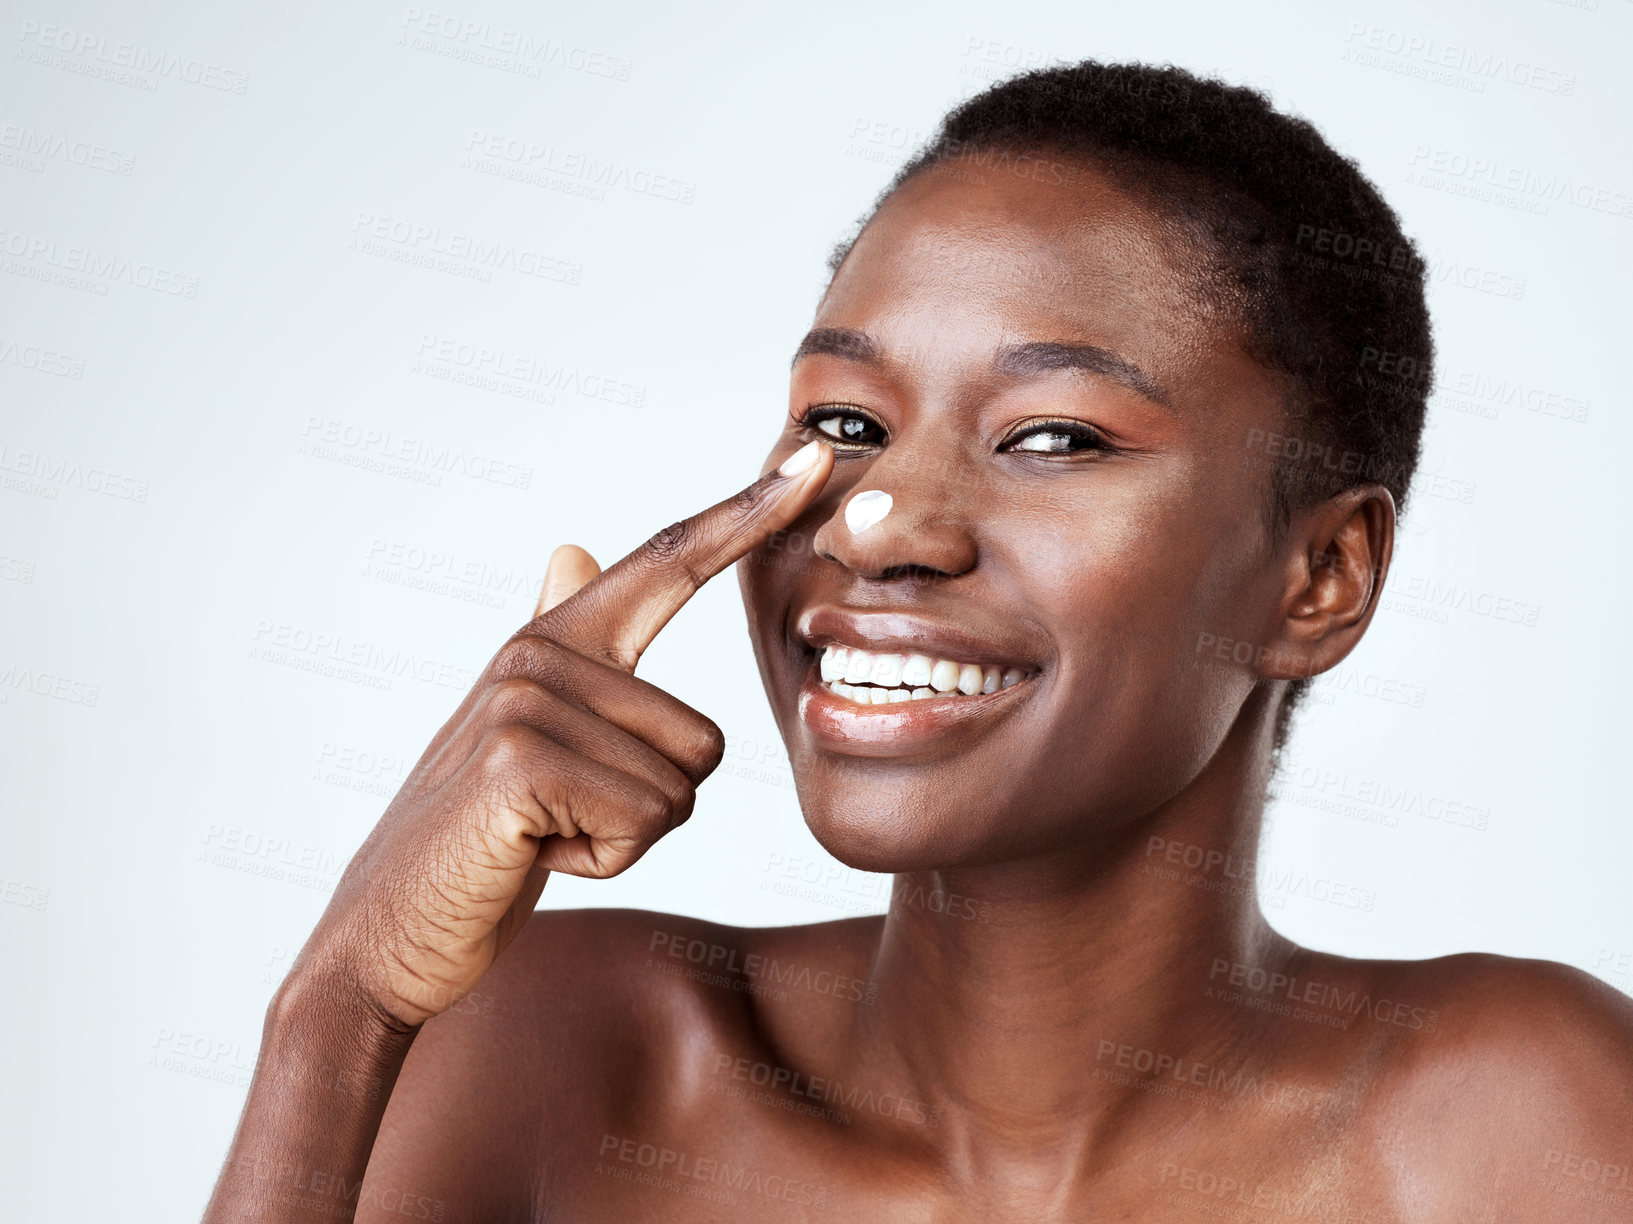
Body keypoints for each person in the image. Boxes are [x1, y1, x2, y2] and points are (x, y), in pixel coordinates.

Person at [205, 61, 1633, 1222]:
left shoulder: (1504, 1128)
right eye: (844, 425)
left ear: (1317, 577)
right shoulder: (570, 1054)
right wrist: (337, 1014)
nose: (881, 522)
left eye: (1052, 437)